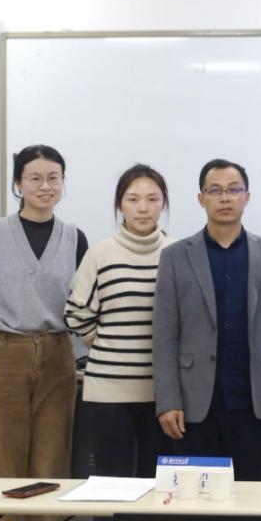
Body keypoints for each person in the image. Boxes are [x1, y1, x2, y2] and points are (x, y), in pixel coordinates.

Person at [152, 159, 261, 481]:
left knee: (250, 494)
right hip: (194, 403)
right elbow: (164, 335)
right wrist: (167, 401)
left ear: (247, 197)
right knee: (195, 498)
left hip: (253, 401)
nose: (225, 198)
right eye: (215, 191)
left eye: (233, 190)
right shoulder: (175, 256)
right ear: (201, 198)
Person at [0, 144, 88, 481]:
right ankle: (3, 519)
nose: (45, 186)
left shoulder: (75, 238)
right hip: (3, 350)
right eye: (35, 178)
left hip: (57, 353)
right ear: (18, 183)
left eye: (54, 178)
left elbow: (81, 300)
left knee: (52, 461)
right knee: (1, 457)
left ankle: (44, 519)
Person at [65, 164, 175, 479]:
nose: (143, 208)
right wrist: (105, 346)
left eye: (152, 199)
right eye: (133, 199)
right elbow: (76, 312)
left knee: (159, 484)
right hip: (109, 391)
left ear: (163, 203)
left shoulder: (177, 253)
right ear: (119, 204)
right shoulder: (101, 254)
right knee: (111, 483)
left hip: (163, 395)